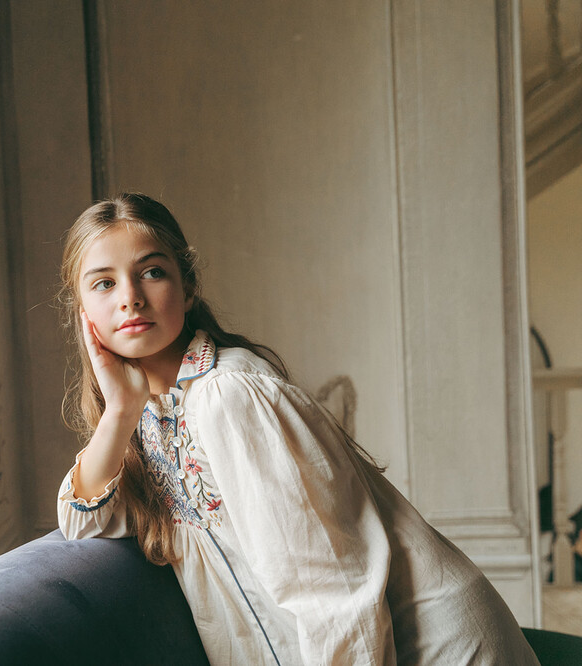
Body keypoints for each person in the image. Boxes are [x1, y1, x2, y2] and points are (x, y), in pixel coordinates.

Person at [55, 193, 539, 665]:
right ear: (82, 312)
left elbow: (334, 592)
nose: (130, 298)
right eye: (104, 284)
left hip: (435, 646)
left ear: (189, 284)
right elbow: (81, 524)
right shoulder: (146, 413)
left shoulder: (230, 395)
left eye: (152, 272)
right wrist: (119, 413)